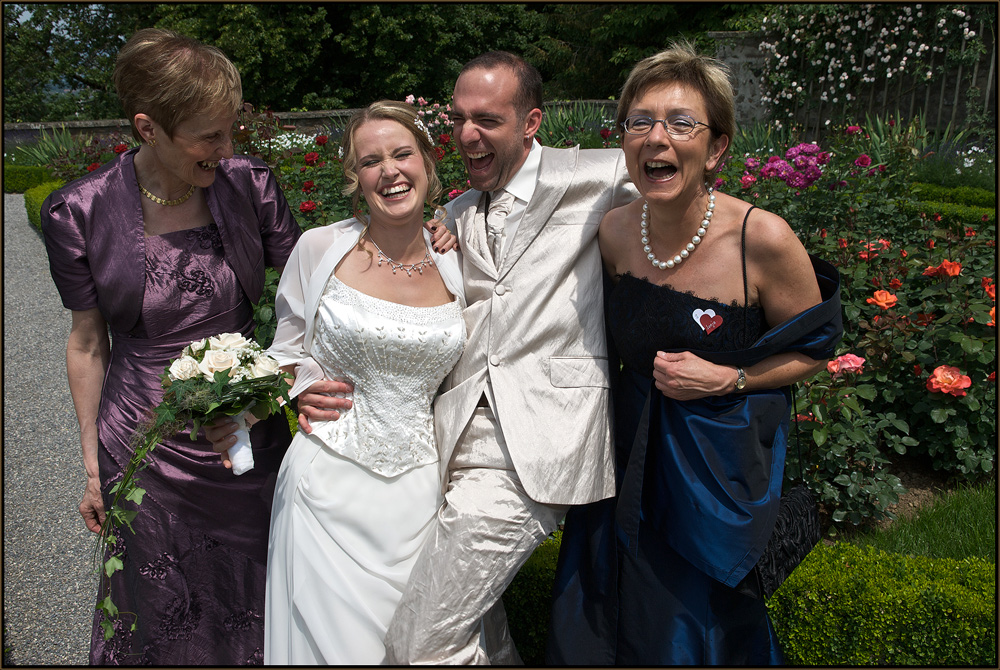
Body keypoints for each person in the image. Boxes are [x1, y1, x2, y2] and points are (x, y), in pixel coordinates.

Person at [545, 42, 844, 665]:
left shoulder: (760, 237)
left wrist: (730, 377)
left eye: (680, 123)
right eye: (640, 121)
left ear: (716, 148)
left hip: (712, 470)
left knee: (693, 629)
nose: (657, 137)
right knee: (601, 616)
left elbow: (816, 349)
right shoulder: (614, 230)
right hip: (623, 456)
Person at [366, 51, 636, 664]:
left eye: (486, 119)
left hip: (538, 439)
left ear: (531, 121)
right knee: (480, 630)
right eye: (459, 119)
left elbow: (687, 195)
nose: (466, 135)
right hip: (453, 438)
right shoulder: (455, 215)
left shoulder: (599, 175)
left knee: (418, 644)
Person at [40, 28, 301, 665]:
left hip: (247, 428)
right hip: (142, 439)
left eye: (231, 130)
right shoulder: (76, 212)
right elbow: (87, 342)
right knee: (160, 600)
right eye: (209, 136)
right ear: (147, 126)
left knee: (261, 585)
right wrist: (93, 465)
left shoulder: (250, 185)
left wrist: (427, 227)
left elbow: (316, 284)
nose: (228, 148)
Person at [253, 100, 466, 664]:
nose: (389, 171)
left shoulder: (459, 260)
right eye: (371, 161)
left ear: (427, 163)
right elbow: (285, 350)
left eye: (402, 154)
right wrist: (294, 390)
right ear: (355, 178)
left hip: (423, 497)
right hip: (326, 489)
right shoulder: (320, 248)